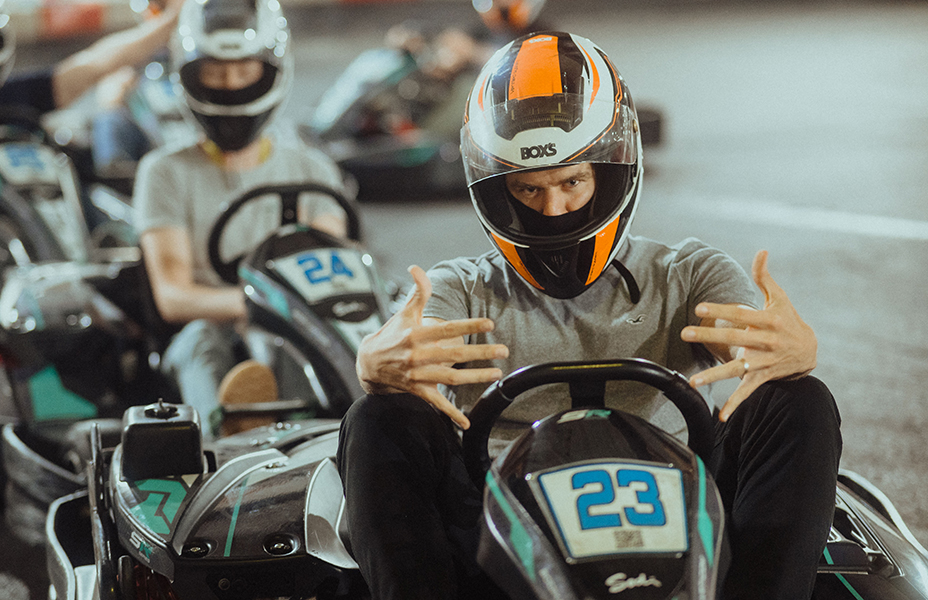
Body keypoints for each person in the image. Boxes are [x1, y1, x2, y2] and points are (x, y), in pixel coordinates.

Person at [336, 31, 842, 600]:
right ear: (497, 191)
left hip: (678, 515)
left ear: (612, 170)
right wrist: (376, 361)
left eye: (572, 182)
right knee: (377, 416)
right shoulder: (460, 287)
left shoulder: (687, 272)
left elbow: (740, 338)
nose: (553, 210)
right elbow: (413, 339)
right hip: (501, 532)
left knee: (800, 399)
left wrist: (781, 353)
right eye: (528, 189)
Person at [133, 0, 348, 441]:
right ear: (191, 75)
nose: (230, 85)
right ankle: (228, 447)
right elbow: (174, 297)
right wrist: (263, 304)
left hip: (293, 333)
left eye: (244, 70)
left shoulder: (314, 170)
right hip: (207, 330)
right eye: (214, 72)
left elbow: (332, 274)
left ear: (270, 70)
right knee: (201, 342)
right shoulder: (164, 171)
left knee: (329, 345)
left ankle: (341, 438)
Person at [0, 0, 187, 269]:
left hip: (28, 214)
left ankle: (110, 278)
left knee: (85, 190)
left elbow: (95, 63)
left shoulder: (17, 95)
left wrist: (171, 22)